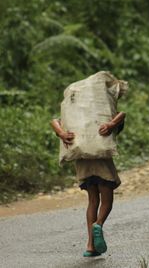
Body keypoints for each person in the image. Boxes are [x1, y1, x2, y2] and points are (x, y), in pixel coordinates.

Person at [51, 107, 126, 258]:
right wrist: (111, 125)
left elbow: (54, 121)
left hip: (82, 161)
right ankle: (98, 224)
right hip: (101, 160)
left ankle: (91, 246)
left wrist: (61, 133)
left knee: (92, 200)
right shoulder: (101, 111)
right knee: (107, 201)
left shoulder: (74, 115)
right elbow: (122, 114)